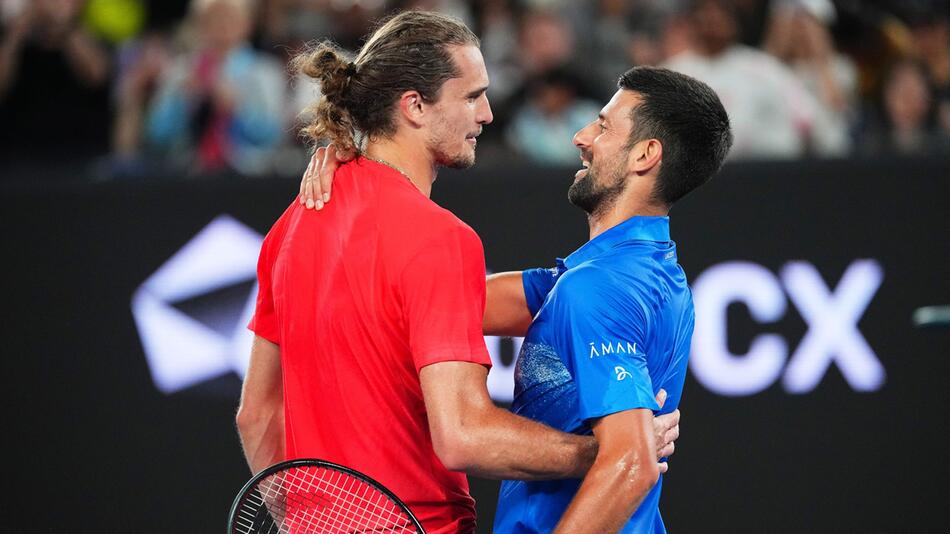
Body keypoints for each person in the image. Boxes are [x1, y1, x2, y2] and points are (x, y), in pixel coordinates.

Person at [236, 11, 679, 534]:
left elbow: (257, 414)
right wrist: (601, 455)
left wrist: (305, 519)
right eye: (471, 96)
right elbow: (463, 433)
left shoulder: (291, 227)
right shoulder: (440, 238)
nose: (488, 114)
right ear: (415, 106)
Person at [300, 64, 731, 532]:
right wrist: (360, 176)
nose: (581, 136)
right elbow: (434, 299)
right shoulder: (633, 274)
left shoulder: (598, 289)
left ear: (645, 155)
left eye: (603, 125)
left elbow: (634, 464)